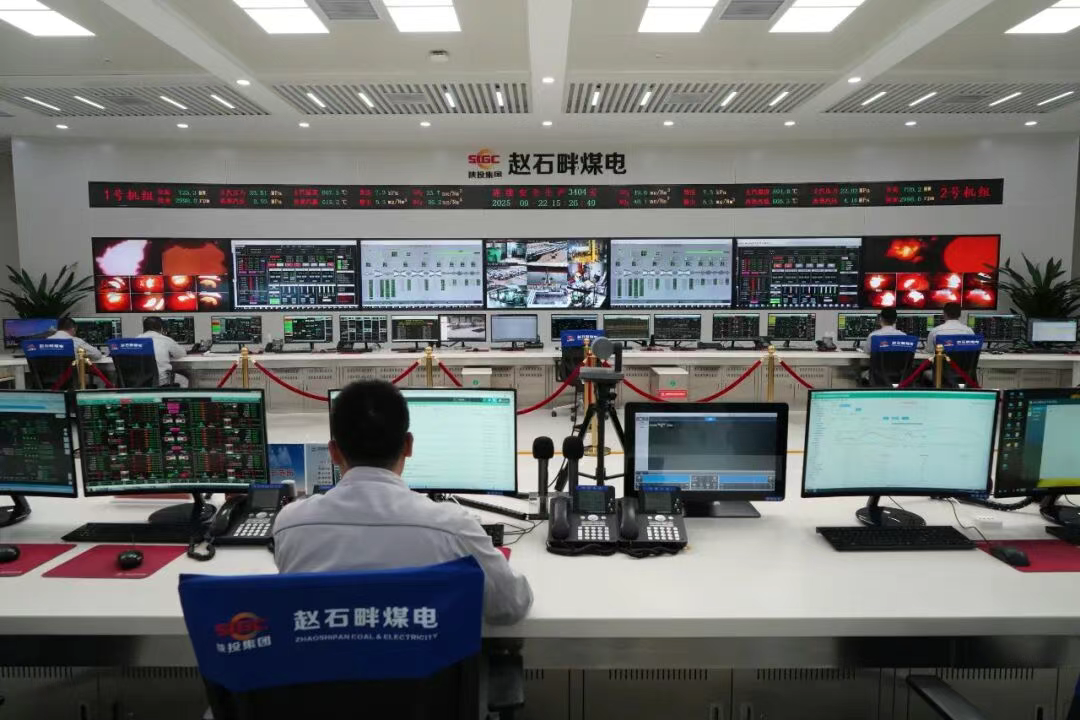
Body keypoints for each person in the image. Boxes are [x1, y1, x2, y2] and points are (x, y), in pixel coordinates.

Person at [273, 380, 533, 625]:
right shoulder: (453, 527)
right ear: (408, 445)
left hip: (328, 660)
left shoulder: (290, 524)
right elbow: (511, 606)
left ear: (333, 452)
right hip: (426, 661)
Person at [138, 316, 188, 386]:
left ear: (144, 329)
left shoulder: (135, 341)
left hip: (139, 383)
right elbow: (181, 354)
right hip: (161, 381)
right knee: (184, 380)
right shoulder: (165, 340)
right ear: (161, 328)